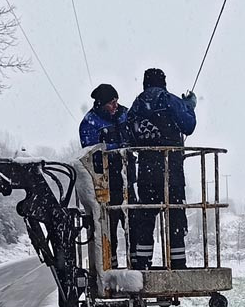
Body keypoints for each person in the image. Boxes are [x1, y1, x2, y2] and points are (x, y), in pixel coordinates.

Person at [126, 68, 197, 269]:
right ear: (163, 82)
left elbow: (129, 136)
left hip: (146, 170)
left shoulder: (136, 105)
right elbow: (188, 126)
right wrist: (189, 106)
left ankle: (142, 262)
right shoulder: (170, 100)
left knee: (146, 216)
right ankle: (178, 263)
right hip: (171, 169)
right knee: (175, 213)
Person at [78, 83, 134, 263]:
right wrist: (117, 148)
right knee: (108, 227)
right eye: (111, 102)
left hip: (128, 178)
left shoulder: (125, 114)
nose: (115, 105)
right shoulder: (90, 122)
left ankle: (136, 263)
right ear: (101, 104)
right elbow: (91, 150)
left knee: (133, 222)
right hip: (105, 181)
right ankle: (111, 264)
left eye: (116, 101)